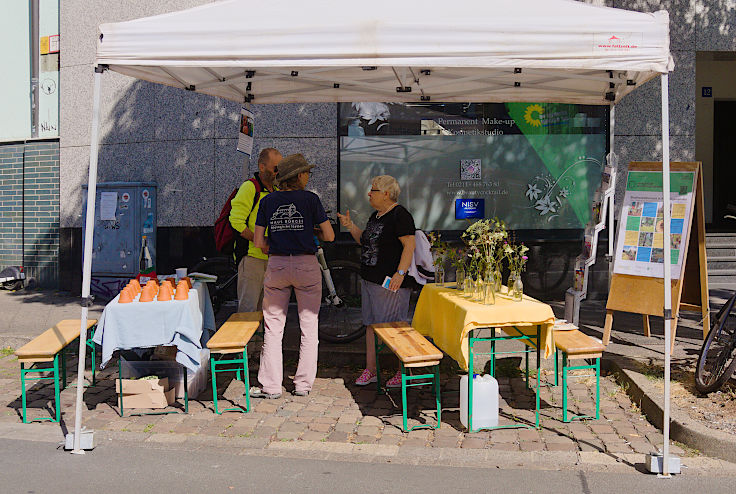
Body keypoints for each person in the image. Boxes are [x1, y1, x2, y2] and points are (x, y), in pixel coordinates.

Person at [252, 154, 334, 398]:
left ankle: (271, 386)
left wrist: (275, 245)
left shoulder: (268, 201)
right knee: (309, 327)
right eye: (307, 172)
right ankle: (303, 385)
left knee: (273, 327)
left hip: (277, 265)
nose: (308, 176)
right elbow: (329, 236)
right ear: (298, 176)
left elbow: (258, 241)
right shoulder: (310, 200)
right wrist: (309, 229)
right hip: (306, 265)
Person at [337, 175, 416, 387]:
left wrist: (400, 273)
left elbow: (409, 245)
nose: (369, 194)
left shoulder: (400, 215)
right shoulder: (376, 215)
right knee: (371, 325)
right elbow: (364, 240)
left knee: (394, 326)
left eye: (373, 190)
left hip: (390, 282)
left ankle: (403, 371)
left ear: (387, 194)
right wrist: (350, 225)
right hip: (370, 279)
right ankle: (371, 369)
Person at [229, 148, 282, 313]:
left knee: (265, 311)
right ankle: (249, 340)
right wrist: (260, 242)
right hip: (252, 258)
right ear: (262, 167)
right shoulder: (250, 187)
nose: (278, 173)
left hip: (272, 258)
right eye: (275, 168)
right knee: (248, 310)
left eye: (280, 169)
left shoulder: (277, 191)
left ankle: (259, 340)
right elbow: (236, 221)